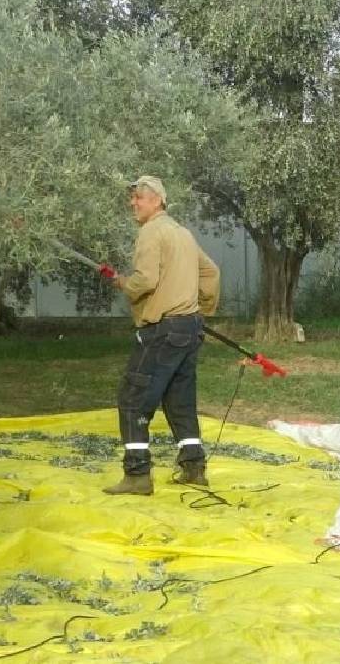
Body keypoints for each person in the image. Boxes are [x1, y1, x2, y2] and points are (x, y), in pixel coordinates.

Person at [103, 175, 220, 495]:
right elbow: (211, 274)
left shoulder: (151, 232)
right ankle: (194, 467)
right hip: (189, 328)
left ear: (157, 200)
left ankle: (137, 474)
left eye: (138, 197)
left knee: (133, 399)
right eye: (133, 197)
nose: (133, 203)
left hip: (162, 330)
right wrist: (202, 312)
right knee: (180, 400)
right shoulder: (182, 233)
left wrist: (124, 283)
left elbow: (146, 280)